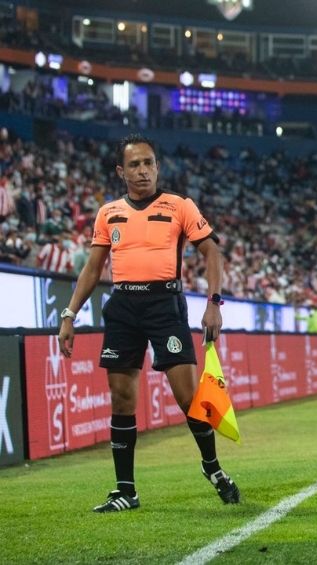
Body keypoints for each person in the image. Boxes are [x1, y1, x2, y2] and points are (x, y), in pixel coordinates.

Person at [57, 133, 239, 512]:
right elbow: (93, 268)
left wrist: (214, 304)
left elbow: (212, 252)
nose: (143, 171)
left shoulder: (179, 206)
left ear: (157, 167)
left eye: (148, 163)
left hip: (164, 305)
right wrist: (69, 314)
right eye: (135, 165)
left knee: (188, 398)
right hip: (123, 306)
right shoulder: (108, 213)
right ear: (121, 171)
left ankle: (212, 467)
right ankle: (126, 490)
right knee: (122, 398)